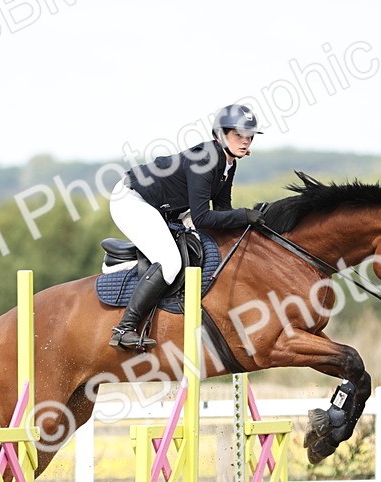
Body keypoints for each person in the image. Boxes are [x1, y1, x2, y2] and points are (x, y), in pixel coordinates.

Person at [107, 104, 266, 350]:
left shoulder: (228, 163)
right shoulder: (205, 158)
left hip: (169, 207)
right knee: (171, 262)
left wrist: (250, 225)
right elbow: (203, 217)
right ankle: (124, 329)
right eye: (238, 135)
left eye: (249, 136)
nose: (245, 141)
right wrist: (244, 216)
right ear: (221, 134)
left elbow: (222, 210)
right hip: (131, 199)